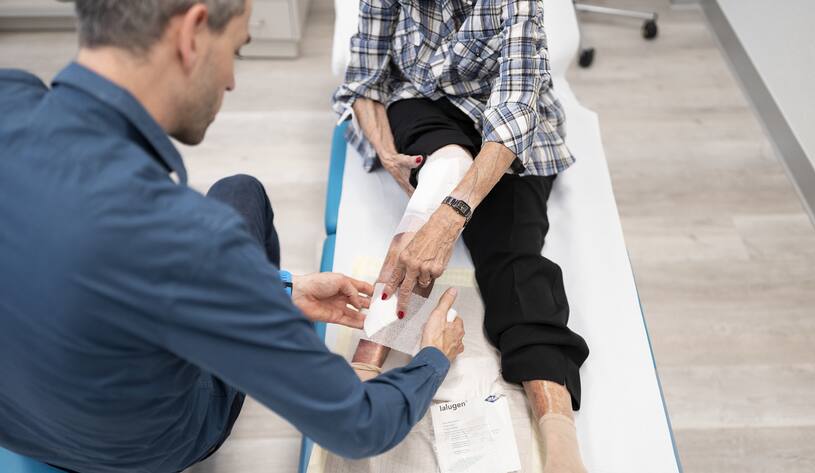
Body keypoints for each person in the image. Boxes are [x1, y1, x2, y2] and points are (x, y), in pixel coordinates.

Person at [0, 1, 466, 472]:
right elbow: (360, 426)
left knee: (235, 194)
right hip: (147, 448)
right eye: (236, 52)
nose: (230, 81)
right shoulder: (187, 239)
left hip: (20, 425)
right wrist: (432, 356)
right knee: (242, 195)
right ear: (193, 33)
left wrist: (280, 291)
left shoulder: (8, 97)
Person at [333, 1, 590, 472]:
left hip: (513, 127)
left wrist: (451, 217)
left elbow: (514, 115)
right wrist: (389, 153)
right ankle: (364, 373)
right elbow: (364, 83)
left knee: (514, 258)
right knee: (441, 175)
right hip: (423, 105)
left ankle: (561, 442)